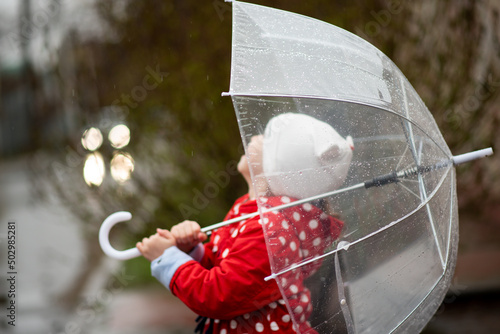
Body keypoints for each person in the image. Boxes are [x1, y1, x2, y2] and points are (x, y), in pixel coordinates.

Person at [137, 113, 353, 333]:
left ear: (279, 166)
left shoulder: (273, 231)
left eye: (268, 137)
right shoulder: (252, 212)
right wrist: (192, 251)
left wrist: (168, 260)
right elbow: (229, 269)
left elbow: (219, 295)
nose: (256, 136)